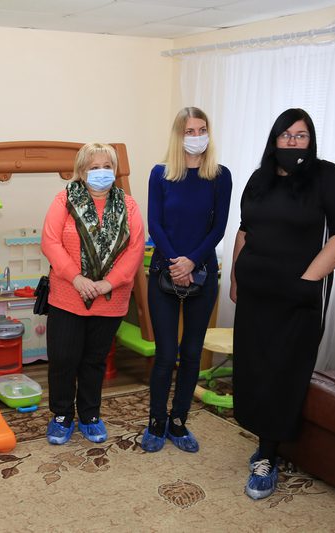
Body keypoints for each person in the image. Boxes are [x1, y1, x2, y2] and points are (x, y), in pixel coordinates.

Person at [231, 108, 335, 499]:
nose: (293, 142)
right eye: (286, 135)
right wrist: (235, 278)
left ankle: (268, 456)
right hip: (255, 293)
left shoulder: (326, 176)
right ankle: (263, 439)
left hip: (296, 296)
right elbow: (245, 229)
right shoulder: (260, 178)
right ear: (274, 139)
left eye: (300, 136)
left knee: (282, 371)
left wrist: (309, 279)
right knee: (253, 368)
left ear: (311, 140)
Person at [41, 142, 145, 445]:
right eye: (94, 167)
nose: (101, 172)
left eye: (107, 166)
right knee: (63, 358)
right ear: (82, 171)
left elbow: (136, 249)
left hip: (110, 298)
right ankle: (62, 415)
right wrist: (76, 278)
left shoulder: (129, 205)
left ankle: (89, 415)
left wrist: (108, 283)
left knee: (94, 360)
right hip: (67, 294)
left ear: (115, 170)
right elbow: (50, 242)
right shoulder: (64, 199)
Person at [141, 107, 232, 454]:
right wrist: (177, 263)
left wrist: (192, 260)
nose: (196, 137)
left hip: (203, 273)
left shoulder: (220, 176)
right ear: (178, 136)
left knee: (192, 352)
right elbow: (155, 224)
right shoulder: (160, 174)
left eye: (201, 130)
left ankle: (178, 421)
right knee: (166, 354)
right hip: (164, 272)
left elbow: (219, 228)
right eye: (189, 131)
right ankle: (156, 421)